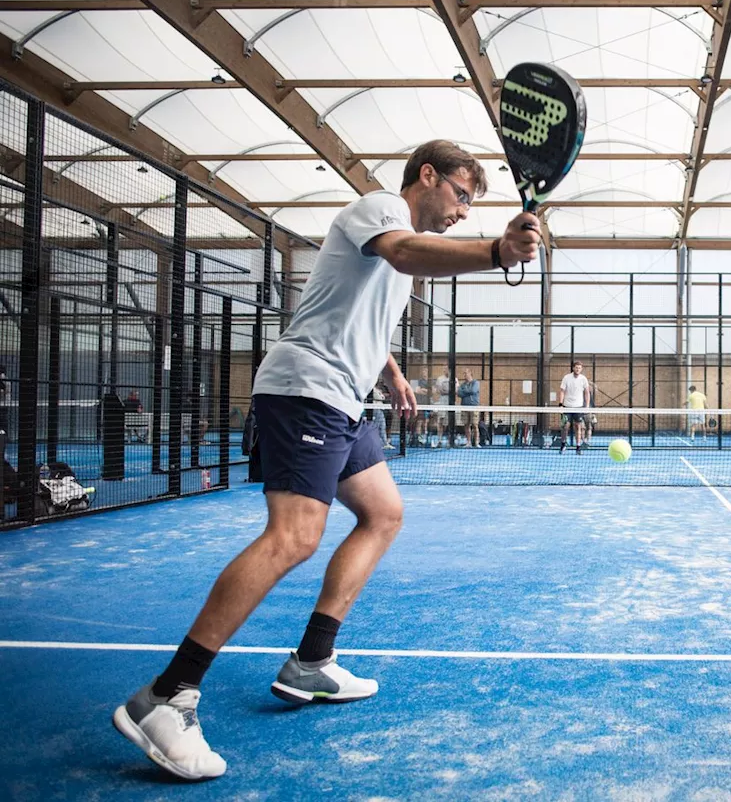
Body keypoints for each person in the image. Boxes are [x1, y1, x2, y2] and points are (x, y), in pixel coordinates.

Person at [111, 140, 540, 781]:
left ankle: (311, 661)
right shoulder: (378, 209)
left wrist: (390, 371)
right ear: (428, 176)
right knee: (294, 537)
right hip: (304, 389)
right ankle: (167, 695)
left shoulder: (400, 254)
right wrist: (496, 252)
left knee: (384, 513)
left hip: (343, 397)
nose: (463, 212)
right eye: (461, 195)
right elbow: (399, 250)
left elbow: (358, 306)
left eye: (473, 205)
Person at [557, 360, 591, 454]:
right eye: (576, 367)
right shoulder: (566, 378)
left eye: (579, 368)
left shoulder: (583, 379)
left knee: (578, 427)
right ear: (573, 368)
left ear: (581, 369)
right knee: (565, 426)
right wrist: (560, 404)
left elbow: (587, 392)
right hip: (567, 407)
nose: (578, 369)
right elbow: (562, 391)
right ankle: (563, 444)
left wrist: (587, 406)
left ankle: (578, 447)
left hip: (578, 407)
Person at [457, 368, 481, 448]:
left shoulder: (476, 383)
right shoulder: (462, 384)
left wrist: (464, 391)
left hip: (474, 406)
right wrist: (465, 391)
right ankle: (468, 442)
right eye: (464, 373)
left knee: (475, 425)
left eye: (466, 373)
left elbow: (473, 391)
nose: (465, 375)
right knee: (466, 425)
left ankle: (477, 442)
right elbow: (459, 393)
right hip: (464, 406)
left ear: (470, 373)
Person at [369, 383, 392, 450]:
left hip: (380, 409)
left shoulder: (377, 389)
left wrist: (382, 395)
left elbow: (382, 397)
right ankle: (374, 442)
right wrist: (382, 396)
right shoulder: (372, 389)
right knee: (376, 426)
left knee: (382, 426)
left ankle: (385, 443)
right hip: (376, 409)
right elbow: (380, 397)